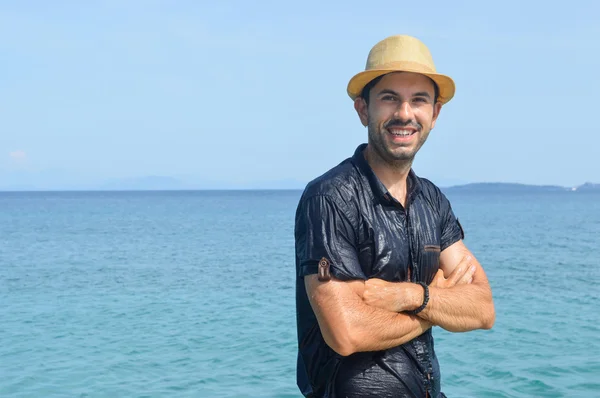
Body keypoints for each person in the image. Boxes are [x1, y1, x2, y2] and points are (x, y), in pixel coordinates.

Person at [294, 35, 496, 398]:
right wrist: (438, 299)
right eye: (389, 98)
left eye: (419, 100)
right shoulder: (330, 198)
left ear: (434, 114)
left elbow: (482, 308)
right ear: (363, 110)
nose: (404, 113)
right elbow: (346, 333)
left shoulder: (432, 201)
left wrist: (410, 295)